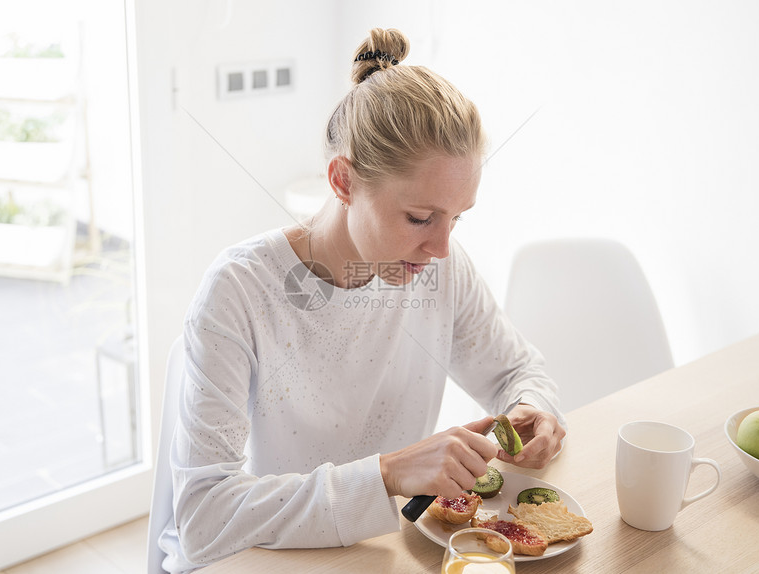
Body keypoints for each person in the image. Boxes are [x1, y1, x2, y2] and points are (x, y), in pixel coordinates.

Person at [158, 27, 567, 573]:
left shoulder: (437, 267)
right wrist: (387, 474)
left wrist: (532, 409)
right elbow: (205, 518)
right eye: (420, 218)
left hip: (376, 556)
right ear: (343, 180)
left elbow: (516, 369)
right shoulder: (239, 291)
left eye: (457, 218)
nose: (442, 247)